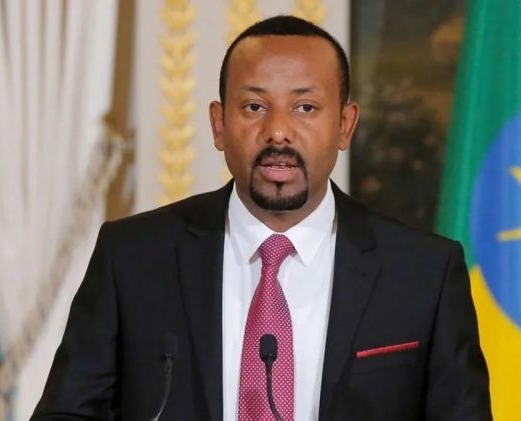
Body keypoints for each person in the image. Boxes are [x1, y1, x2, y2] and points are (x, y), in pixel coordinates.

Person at [32, 15, 491, 421]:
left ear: (345, 125)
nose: (277, 131)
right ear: (219, 125)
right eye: (254, 107)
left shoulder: (422, 272)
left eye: (305, 108)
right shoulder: (134, 257)